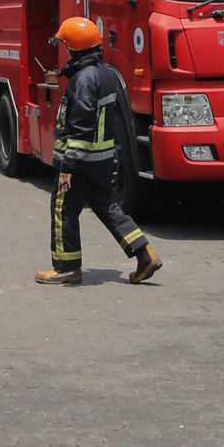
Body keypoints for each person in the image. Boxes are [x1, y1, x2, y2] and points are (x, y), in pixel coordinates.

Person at [36, 17, 164, 286]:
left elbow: (81, 125)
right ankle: (144, 253)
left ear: (73, 48)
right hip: (102, 159)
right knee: (107, 207)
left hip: (80, 161)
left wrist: (68, 165)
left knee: (63, 210)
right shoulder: (106, 73)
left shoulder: (82, 79)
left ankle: (67, 267)